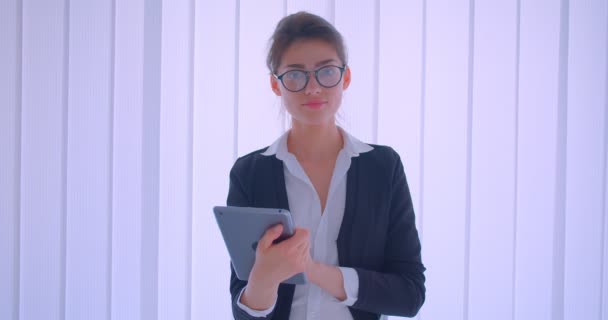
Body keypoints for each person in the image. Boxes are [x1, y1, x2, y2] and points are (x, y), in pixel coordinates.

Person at [226, 11, 425, 320]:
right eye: (294, 74)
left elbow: (410, 295)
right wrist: (264, 277)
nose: (313, 87)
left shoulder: (383, 168)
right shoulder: (250, 173)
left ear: (345, 77)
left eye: (326, 71)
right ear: (275, 85)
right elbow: (243, 311)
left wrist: (310, 269)